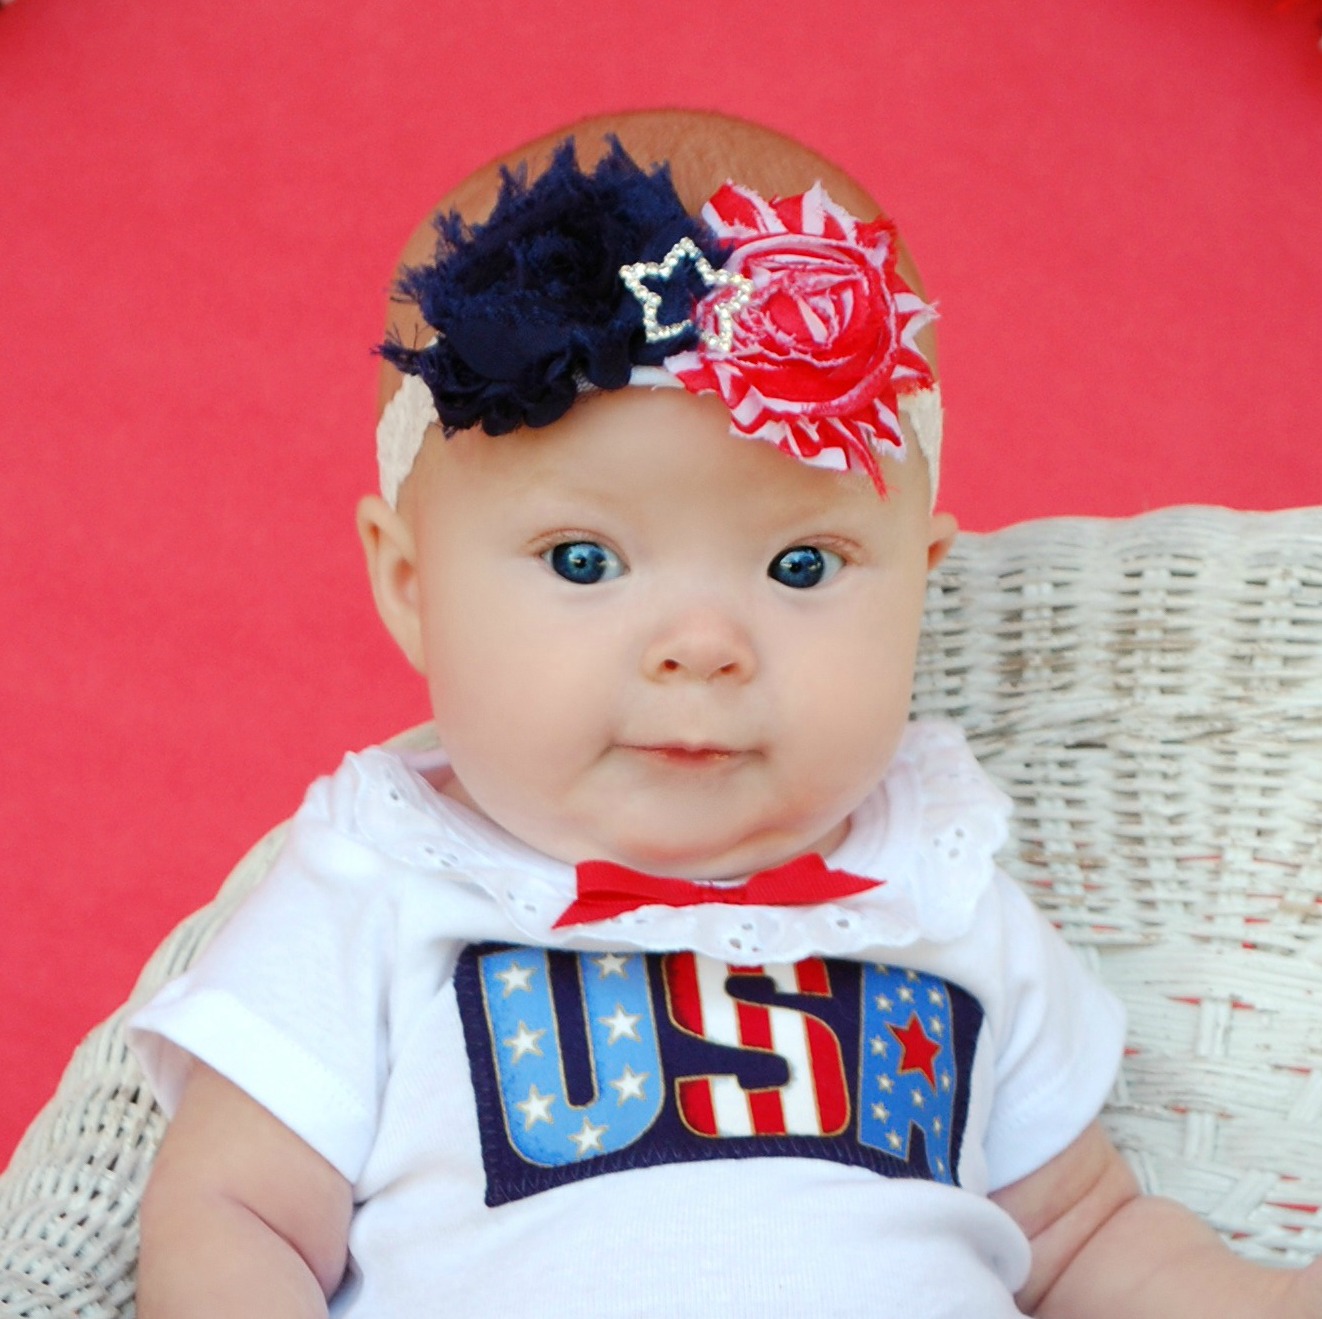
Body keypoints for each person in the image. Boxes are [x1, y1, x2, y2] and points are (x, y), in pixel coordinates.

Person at [129, 109, 1322, 1317]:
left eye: (800, 567)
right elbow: (234, 1211)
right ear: (411, 586)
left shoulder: (942, 892)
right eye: (583, 560)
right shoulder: (379, 885)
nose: (700, 647)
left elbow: (1081, 1232)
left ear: (918, 586)